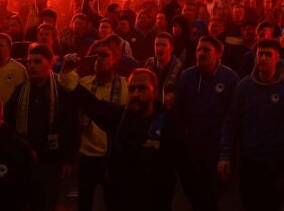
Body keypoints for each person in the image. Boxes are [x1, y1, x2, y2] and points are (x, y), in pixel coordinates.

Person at [58, 60, 193, 210]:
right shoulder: (118, 117)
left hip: (156, 204)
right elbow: (91, 104)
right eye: (131, 89)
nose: (135, 94)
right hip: (120, 203)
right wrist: (66, 74)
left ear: (154, 92)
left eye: (142, 89)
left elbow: (188, 173)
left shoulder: (170, 126)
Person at [219, 39, 284, 209]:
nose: (263, 58)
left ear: (277, 58)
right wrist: (224, 155)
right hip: (249, 162)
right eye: (260, 54)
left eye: (268, 54)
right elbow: (231, 122)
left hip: (275, 162)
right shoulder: (244, 86)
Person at [4, 43, 79, 210]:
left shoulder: (61, 89)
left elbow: (71, 126)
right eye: (29, 62)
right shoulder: (20, 91)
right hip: (25, 160)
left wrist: (69, 159)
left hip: (53, 161)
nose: (32, 66)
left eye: (37, 62)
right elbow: (8, 123)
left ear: (50, 63)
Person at [174, 35, 239, 210]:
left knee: (213, 195)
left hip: (217, 147)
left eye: (206, 50)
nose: (201, 53)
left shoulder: (230, 78)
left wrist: (227, 152)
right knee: (195, 193)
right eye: (198, 49)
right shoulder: (187, 76)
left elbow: (233, 117)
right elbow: (179, 112)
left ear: (217, 54)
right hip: (192, 146)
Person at [76, 38, 128, 211]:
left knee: (113, 204)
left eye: (104, 56)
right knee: (84, 204)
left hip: (112, 157)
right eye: (96, 56)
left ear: (116, 59)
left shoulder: (126, 87)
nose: (98, 60)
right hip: (86, 155)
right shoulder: (84, 83)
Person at [144, 32, 183, 107]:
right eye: (157, 45)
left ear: (171, 48)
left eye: (163, 45)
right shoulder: (149, 64)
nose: (159, 48)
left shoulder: (180, 68)